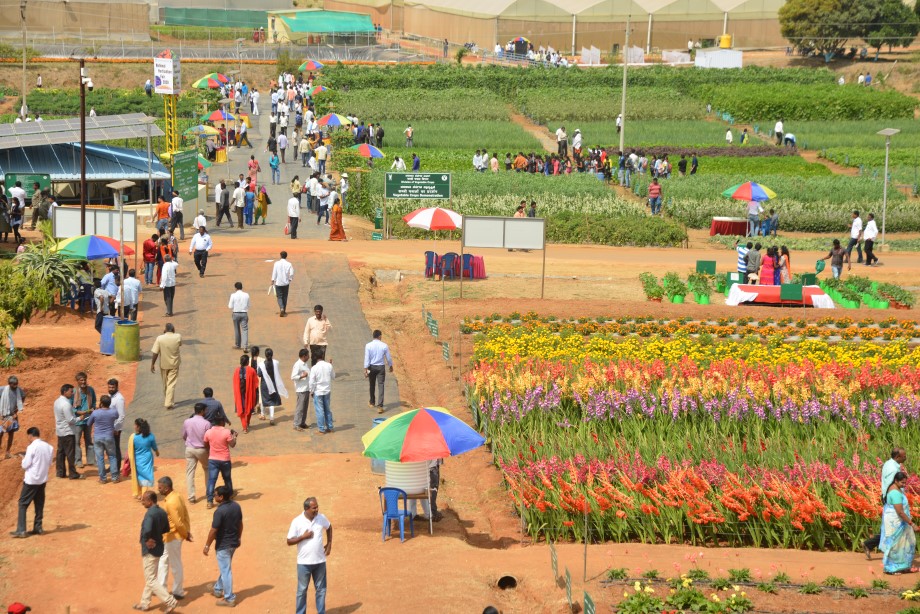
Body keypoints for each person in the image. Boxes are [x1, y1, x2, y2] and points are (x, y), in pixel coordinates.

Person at [287, 497, 333, 614]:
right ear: (307, 509)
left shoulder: (321, 518)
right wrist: (303, 537)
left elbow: (329, 527)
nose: (317, 509)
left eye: (317, 507)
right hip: (304, 563)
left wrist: (329, 544)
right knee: (302, 591)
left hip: (320, 561)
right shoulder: (297, 521)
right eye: (314, 508)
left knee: (321, 590)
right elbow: (289, 541)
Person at [136, 491, 178, 612]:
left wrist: (148, 539)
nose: (142, 501)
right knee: (151, 577)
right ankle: (144, 603)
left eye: (144, 500)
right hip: (159, 547)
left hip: (150, 549)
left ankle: (170, 601)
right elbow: (166, 529)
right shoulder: (161, 511)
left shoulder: (150, 514)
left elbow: (147, 529)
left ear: (150, 501)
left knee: (151, 579)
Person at [204, 485, 243, 607]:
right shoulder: (236, 506)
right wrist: (238, 537)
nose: (213, 496)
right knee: (225, 567)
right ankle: (217, 589)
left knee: (226, 570)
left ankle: (229, 598)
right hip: (233, 543)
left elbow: (213, 531)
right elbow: (240, 524)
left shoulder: (219, 511)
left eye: (215, 495)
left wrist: (207, 545)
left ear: (221, 497)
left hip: (223, 545)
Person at [865, 448, 906, 558]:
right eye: (903, 456)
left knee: (890, 527)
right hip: (893, 500)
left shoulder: (889, 463)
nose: (905, 457)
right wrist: (896, 499)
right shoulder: (893, 469)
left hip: (890, 498)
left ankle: (869, 544)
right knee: (894, 527)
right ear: (897, 457)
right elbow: (891, 485)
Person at [11, 426, 52, 538]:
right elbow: (49, 463)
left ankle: (21, 530)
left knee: (23, 503)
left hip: (31, 480)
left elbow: (25, 465)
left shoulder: (31, 447)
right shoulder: (49, 447)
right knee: (39, 504)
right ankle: (38, 527)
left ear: (30, 435)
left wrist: (23, 458)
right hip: (42, 480)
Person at [157, 476, 191, 601]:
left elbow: (177, 522)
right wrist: (187, 531)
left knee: (175, 564)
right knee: (163, 560)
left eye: (160, 488)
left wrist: (185, 534)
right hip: (171, 536)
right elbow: (185, 514)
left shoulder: (170, 502)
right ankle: (160, 588)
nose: (158, 490)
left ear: (166, 488)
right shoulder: (177, 495)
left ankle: (178, 591)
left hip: (173, 537)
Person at [880, 472, 918, 574]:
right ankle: (892, 568)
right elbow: (900, 512)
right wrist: (912, 524)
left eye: (905, 483)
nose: (904, 485)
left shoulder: (895, 488)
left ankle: (904, 566)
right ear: (896, 481)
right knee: (896, 545)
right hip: (896, 522)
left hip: (897, 520)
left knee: (905, 543)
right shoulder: (895, 493)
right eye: (902, 482)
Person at [204, 417, 236, 509]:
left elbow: (205, 444)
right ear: (222, 422)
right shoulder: (226, 432)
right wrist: (234, 436)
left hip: (213, 460)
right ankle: (229, 496)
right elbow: (232, 444)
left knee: (211, 480)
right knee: (227, 479)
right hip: (225, 460)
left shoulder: (208, 432)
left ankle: (209, 501)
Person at [183, 403, 211, 504]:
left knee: (190, 472)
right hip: (202, 449)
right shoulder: (206, 423)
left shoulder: (187, 421)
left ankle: (191, 497)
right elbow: (208, 439)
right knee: (207, 469)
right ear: (202, 411)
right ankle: (209, 494)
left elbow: (184, 436)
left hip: (189, 449)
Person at [151, 323, 182, 410]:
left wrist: (152, 364)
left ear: (165, 330)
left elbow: (155, 352)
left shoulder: (160, 338)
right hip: (174, 364)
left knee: (165, 383)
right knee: (171, 384)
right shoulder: (178, 336)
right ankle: (168, 402)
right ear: (173, 329)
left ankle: (168, 400)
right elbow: (180, 344)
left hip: (164, 364)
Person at [53, 384, 82, 480]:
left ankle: (60, 472)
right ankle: (73, 473)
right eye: (70, 391)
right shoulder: (66, 404)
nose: (72, 393)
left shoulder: (57, 401)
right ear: (65, 392)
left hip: (60, 431)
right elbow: (70, 420)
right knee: (70, 453)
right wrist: (79, 418)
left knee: (60, 452)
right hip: (68, 431)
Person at [69, 372, 96, 470]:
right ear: (77, 381)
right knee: (76, 441)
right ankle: (78, 461)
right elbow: (70, 407)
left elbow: (93, 402)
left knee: (89, 440)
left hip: (88, 419)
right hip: (78, 421)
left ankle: (91, 460)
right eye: (81, 380)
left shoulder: (91, 390)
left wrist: (92, 408)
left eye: (84, 379)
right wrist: (78, 412)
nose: (83, 382)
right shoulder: (74, 392)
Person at [128, 418, 159, 500]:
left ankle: (139, 494)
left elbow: (131, 449)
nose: (134, 426)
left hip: (137, 460)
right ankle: (143, 495)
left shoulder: (133, 437)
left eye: (135, 425)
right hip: (147, 459)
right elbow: (154, 447)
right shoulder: (150, 436)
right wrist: (157, 452)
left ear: (138, 427)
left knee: (139, 476)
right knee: (146, 477)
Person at [364, 330, 393, 414]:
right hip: (381, 367)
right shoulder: (384, 345)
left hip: (371, 367)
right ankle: (380, 406)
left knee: (372, 384)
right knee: (381, 385)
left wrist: (365, 369)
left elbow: (367, 358)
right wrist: (390, 366)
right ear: (379, 336)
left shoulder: (368, 345)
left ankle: (372, 402)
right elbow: (388, 357)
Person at [309, 348, 335, 434]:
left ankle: (321, 428)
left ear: (315, 357)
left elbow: (312, 382)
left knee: (319, 410)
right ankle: (330, 427)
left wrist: (311, 391)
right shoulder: (329, 366)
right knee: (327, 409)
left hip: (318, 391)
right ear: (323, 356)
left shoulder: (314, 368)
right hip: (327, 390)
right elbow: (333, 376)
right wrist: (331, 365)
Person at [0, 376, 25, 459]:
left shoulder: (19, 390)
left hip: (12, 415)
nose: (15, 385)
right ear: (9, 384)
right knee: (1, 433)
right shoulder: (3, 389)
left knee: (11, 433)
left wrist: (17, 410)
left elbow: (23, 396)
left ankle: (7, 452)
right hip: (4, 415)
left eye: (16, 384)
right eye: (14, 384)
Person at [233, 354, 259, 434]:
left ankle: (244, 427)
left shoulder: (237, 370)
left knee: (241, 410)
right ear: (248, 362)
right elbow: (256, 383)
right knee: (249, 409)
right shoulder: (251, 370)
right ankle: (247, 423)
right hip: (249, 394)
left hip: (240, 394)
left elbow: (234, 383)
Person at [291, 349, 311, 431]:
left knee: (305, 407)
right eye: (307, 355)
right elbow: (293, 377)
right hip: (301, 390)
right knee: (300, 407)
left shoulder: (305, 364)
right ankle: (296, 424)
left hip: (306, 388)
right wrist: (302, 376)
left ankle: (302, 422)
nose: (309, 357)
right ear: (304, 356)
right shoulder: (298, 365)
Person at [228, 282, 250, 350]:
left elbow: (230, 306)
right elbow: (249, 305)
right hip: (244, 313)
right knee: (245, 329)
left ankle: (238, 344)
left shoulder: (233, 295)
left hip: (236, 313)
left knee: (237, 329)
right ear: (242, 287)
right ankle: (245, 346)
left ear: (235, 288)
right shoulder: (246, 295)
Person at [272, 251, 295, 317]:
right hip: (286, 283)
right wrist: (290, 279)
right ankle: (284, 310)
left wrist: (272, 280)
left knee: (279, 297)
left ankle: (281, 308)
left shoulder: (276, 263)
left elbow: (274, 272)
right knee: (285, 297)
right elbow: (292, 273)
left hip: (278, 283)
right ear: (286, 256)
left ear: (280, 256)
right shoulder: (289, 264)